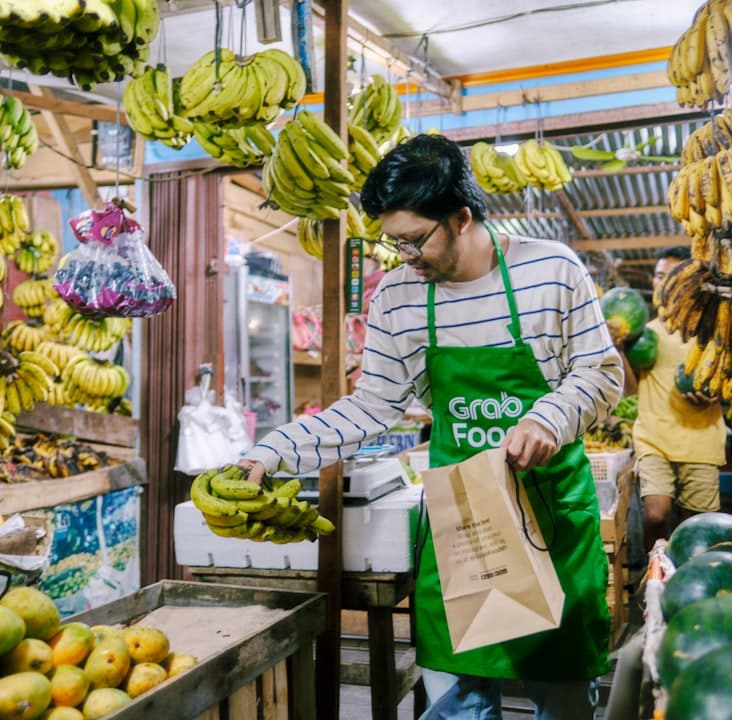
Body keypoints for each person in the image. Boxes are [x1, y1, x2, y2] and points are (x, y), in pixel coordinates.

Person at [242, 134, 625, 719]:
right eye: (393, 243)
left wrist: (548, 416)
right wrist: (273, 453)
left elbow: (601, 375)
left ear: (461, 217)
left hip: (551, 519)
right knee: (460, 700)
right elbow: (372, 406)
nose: (404, 257)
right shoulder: (397, 297)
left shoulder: (551, 269)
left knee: (563, 696)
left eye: (415, 239)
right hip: (463, 525)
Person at [624, 246, 727, 552]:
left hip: (702, 438)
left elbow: (730, 383)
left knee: (694, 523)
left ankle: (684, 575)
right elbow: (630, 389)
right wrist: (618, 349)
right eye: (658, 276)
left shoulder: (713, 333)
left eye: (669, 276)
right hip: (654, 437)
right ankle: (650, 573)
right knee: (656, 513)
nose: (662, 283)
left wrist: (714, 395)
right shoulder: (644, 335)